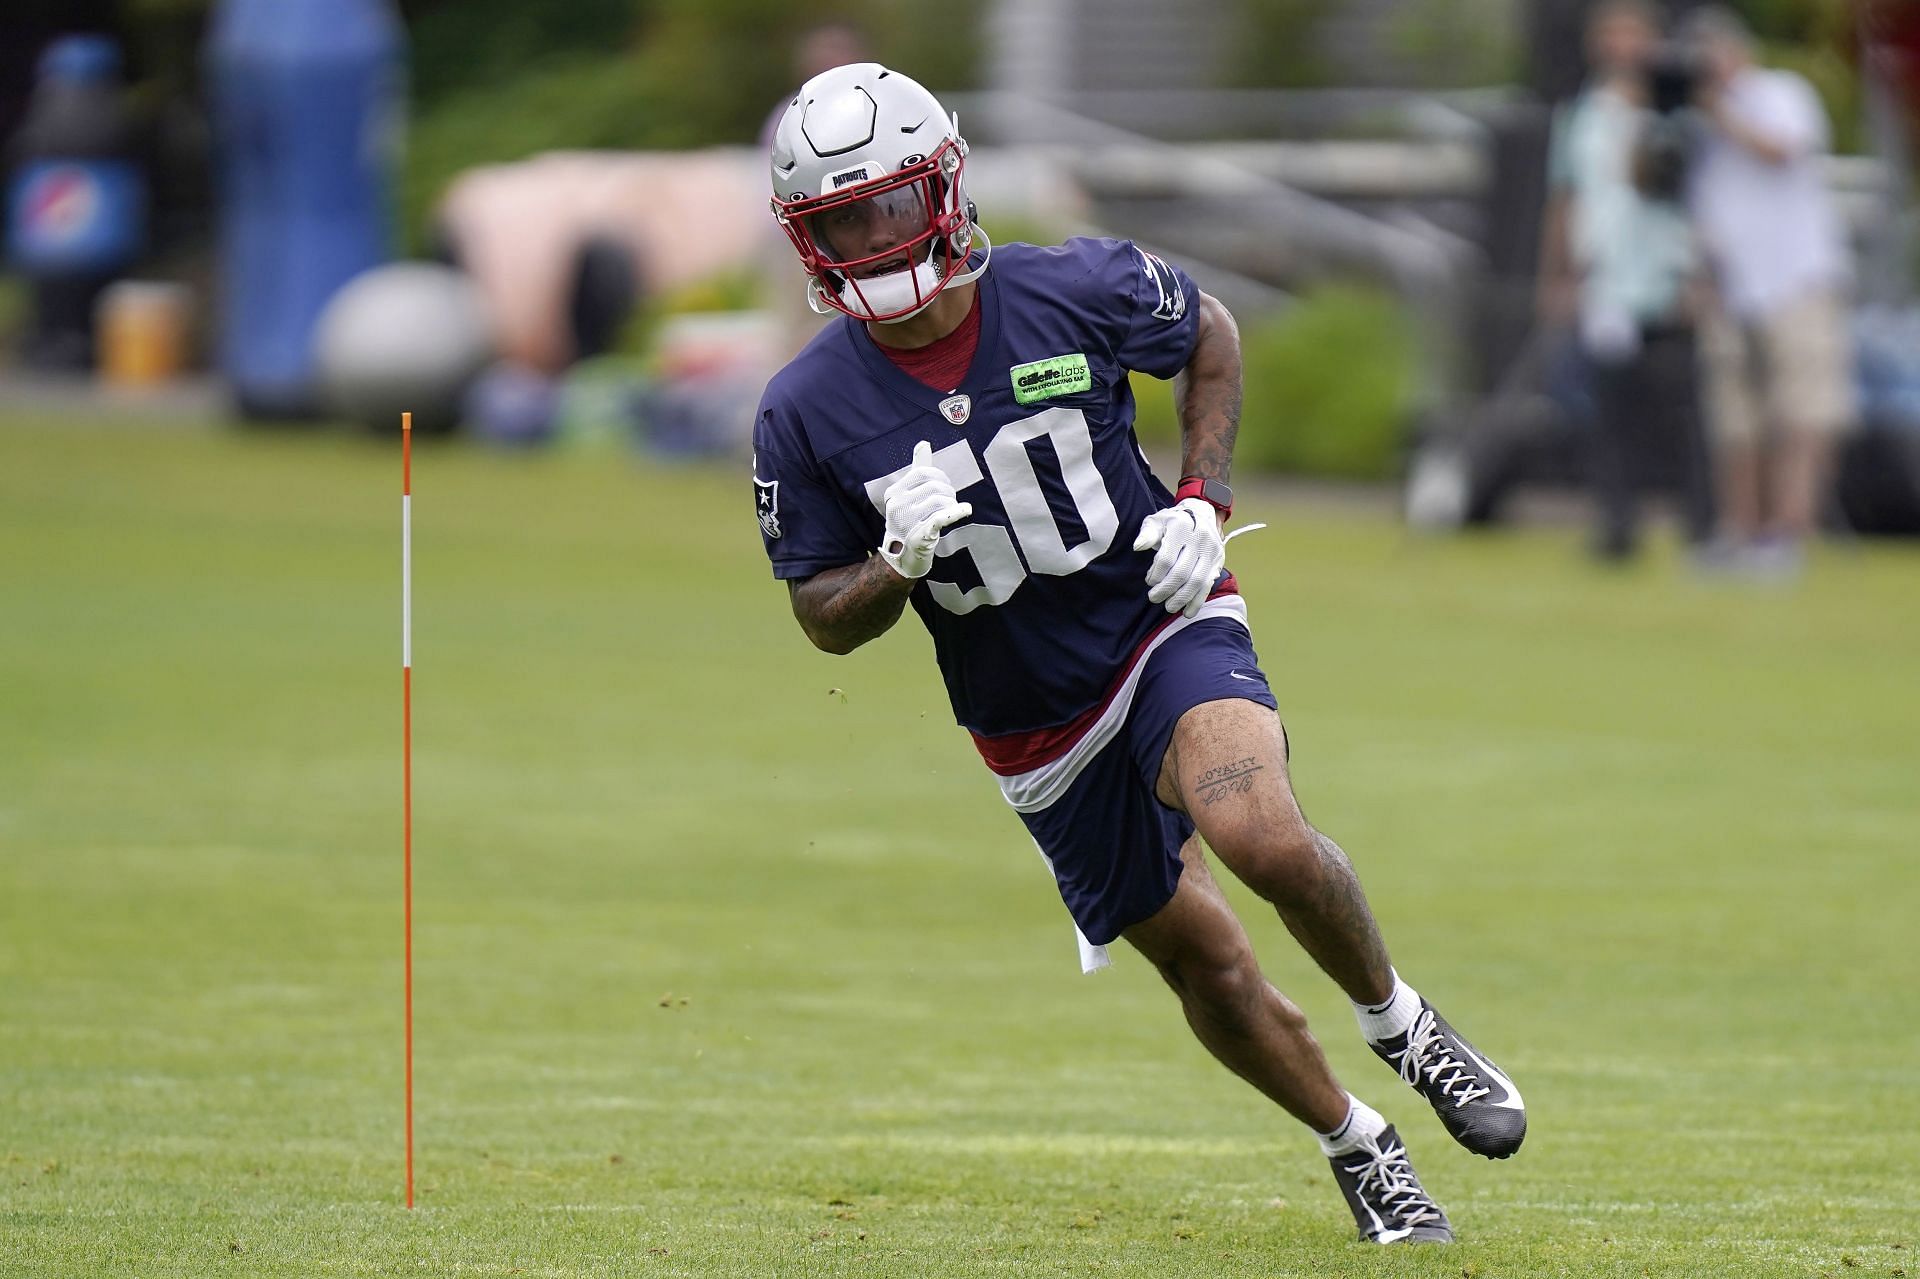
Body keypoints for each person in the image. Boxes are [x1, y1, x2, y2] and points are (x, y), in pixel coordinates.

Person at [750, 63, 1527, 1246]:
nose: (871, 237)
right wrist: (894, 566)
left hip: (1158, 616)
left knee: (1256, 828)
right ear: (808, 239)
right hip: (1031, 720)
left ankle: (1402, 1022)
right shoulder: (803, 408)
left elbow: (1209, 336)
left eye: (891, 204)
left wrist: (1205, 500)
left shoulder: (1078, 283)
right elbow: (820, 612)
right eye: (839, 220)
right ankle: (1357, 1141)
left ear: (945, 189)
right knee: (1207, 965)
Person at [1537, 0, 1716, 561]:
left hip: (1665, 278)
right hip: (1607, 281)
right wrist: (1557, 273)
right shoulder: (1583, 115)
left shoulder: (1677, 113)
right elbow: (1565, 199)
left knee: (1682, 409)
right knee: (1610, 412)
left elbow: (1684, 193)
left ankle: (1703, 526)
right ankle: (1618, 526)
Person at [1687, 6, 1854, 575]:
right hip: (1733, 288)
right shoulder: (1691, 121)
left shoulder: (1780, 92)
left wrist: (1721, 112)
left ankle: (1788, 535)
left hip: (1795, 279)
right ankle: (1739, 531)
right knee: (1735, 417)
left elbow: (1784, 151)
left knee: (1800, 412)